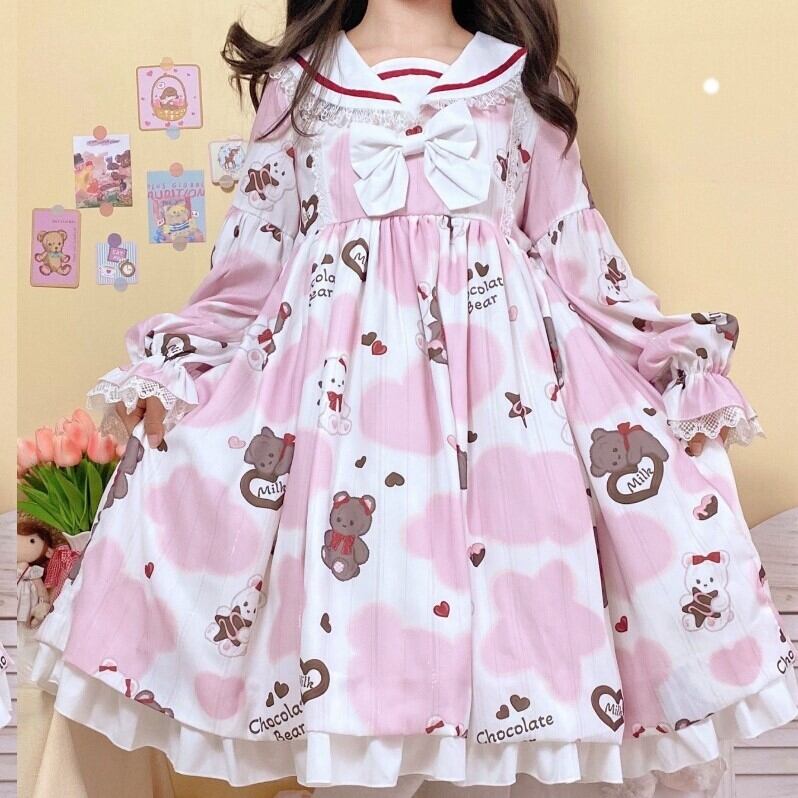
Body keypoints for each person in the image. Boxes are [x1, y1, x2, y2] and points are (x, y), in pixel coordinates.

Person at [31, 0, 797, 794]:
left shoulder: (516, 84)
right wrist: (179, 368)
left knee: (517, 647)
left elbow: (580, 257)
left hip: (505, 430)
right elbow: (249, 266)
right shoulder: (299, 87)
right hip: (340, 435)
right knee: (358, 656)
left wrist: (671, 367)